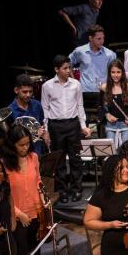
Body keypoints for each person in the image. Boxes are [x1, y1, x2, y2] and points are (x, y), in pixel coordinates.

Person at [0, 125, 47, 255]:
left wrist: (43, 199)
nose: (25, 148)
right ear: (12, 145)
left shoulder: (33, 158)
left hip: (37, 215)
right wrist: (19, 214)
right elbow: (4, 194)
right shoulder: (4, 164)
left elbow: (38, 181)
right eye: (21, 145)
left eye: (28, 144)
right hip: (18, 218)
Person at [41, 55, 89, 203]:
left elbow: (80, 105)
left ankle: (76, 189)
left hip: (73, 124)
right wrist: (46, 130)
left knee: (75, 159)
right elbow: (45, 108)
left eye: (69, 68)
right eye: (65, 68)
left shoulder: (76, 84)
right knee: (60, 160)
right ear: (56, 69)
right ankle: (62, 191)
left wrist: (83, 126)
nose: (68, 71)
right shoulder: (47, 86)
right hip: (56, 126)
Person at [98, 59, 128, 152]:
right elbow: (100, 106)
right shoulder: (104, 88)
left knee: (127, 153)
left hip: (126, 126)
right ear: (109, 73)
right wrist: (107, 115)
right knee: (111, 155)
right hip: (110, 126)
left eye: (118, 72)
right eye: (113, 72)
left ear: (122, 73)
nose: (116, 75)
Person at [69, 24, 116, 94]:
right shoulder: (80, 51)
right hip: (84, 91)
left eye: (103, 38)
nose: (102, 41)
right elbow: (67, 64)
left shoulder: (110, 54)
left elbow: (115, 73)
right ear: (90, 38)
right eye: (99, 39)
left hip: (104, 92)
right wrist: (74, 81)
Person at [8, 74, 47, 157]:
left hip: (37, 151)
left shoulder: (37, 105)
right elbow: (11, 137)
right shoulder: (9, 111)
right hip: (20, 154)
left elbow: (41, 123)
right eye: (25, 92)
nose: (28, 94)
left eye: (30, 91)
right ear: (16, 90)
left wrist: (43, 132)